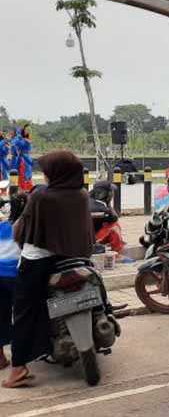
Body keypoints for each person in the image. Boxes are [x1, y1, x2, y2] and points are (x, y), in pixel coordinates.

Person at [3, 150, 94, 388]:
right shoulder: (82, 195)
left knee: (23, 311)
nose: (44, 176)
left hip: (37, 261)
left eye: (46, 172)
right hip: (74, 258)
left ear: (56, 173)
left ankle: (18, 368)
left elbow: (21, 230)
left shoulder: (42, 196)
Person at [0, 205, 19, 371]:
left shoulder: (2, 226)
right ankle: (21, 360)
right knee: (22, 316)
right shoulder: (28, 227)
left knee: (1, 315)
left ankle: (0, 358)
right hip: (16, 277)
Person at [89, 180, 129, 258]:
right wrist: (108, 203)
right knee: (114, 227)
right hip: (91, 240)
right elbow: (114, 218)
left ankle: (116, 244)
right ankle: (118, 254)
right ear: (104, 194)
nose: (112, 194)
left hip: (87, 235)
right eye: (110, 192)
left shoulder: (90, 200)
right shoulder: (101, 208)